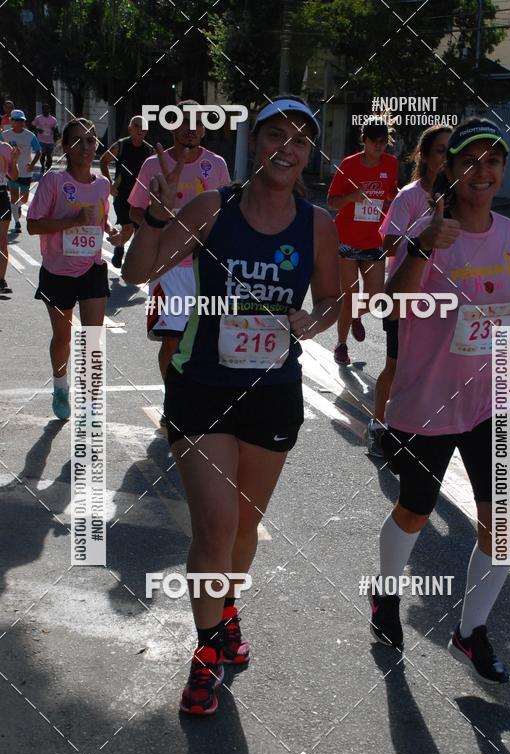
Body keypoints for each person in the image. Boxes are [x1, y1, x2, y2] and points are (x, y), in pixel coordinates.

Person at [123, 96, 340, 715]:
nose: (286, 148)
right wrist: (155, 221)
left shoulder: (316, 224)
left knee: (244, 532)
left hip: (272, 393)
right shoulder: (211, 207)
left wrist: (313, 318)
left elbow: (330, 300)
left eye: (300, 139)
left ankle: (225, 615)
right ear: (257, 145)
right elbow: (140, 273)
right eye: (275, 134)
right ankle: (207, 648)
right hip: (203, 388)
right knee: (215, 529)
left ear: (306, 154)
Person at [370, 118, 510, 684]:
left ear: (501, 172)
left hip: (491, 401)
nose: (481, 171)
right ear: (449, 168)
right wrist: (422, 245)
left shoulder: (509, 231)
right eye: (470, 160)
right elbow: (390, 306)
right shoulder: (427, 228)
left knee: (504, 525)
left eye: (493, 161)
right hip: (426, 404)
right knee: (415, 512)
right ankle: (386, 595)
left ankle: (471, 632)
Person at [128, 100, 230, 380]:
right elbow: (135, 209)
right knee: (172, 341)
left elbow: (226, 214)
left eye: (197, 123)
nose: (190, 128)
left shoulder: (217, 165)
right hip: (166, 268)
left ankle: (195, 400)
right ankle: (171, 404)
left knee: (206, 340)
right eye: (183, 121)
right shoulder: (153, 165)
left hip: (205, 268)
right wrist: (161, 224)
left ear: (204, 130)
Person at [27, 118, 120, 419]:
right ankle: (60, 385)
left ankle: (92, 400)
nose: (85, 146)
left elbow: (99, 221)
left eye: (91, 140)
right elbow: (32, 225)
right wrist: (71, 221)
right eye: (78, 140)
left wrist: (112, 230)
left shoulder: (103, 184)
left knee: (93, 336)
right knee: (63, 338)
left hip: (92, 268)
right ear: (66, 146)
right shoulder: (53, 182)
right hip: (57, 272)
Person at [367, 124, 451, 456]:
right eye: (440, 151)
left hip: (441, 296)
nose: (446, 158)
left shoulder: (458, 196)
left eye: (451, 151)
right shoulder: (410, 196)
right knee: (397, 365)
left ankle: (422, 431)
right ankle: (378, 424)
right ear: (425, 156)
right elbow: (388, 242)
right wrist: (424, 233)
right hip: (404, 295)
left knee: (433, 369)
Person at [327, 119, 398, 366]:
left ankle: (356, 316)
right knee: (350, 296)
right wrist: (353, 197)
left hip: (373, 240)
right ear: (364, 140)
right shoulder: (349, 165)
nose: (379, 147)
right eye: (374, 142)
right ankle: (341, 345)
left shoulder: (391, 163)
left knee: (376, 296)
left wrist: (397, 196)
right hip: (346, 239)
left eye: (383, 142)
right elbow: (332, 201)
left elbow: (390, 192)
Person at [99, 115, 153, 268]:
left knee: (139, 232)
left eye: (143, 127)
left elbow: (157, 172)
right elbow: (104, 161)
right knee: (128, 228)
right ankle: (120, 247)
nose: (139, 130)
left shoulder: (150, 151)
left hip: (141, 197)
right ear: (130, 128)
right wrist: (110, 184)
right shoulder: (120, 146)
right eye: (136, 126)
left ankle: (129, 257)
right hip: (122, 195)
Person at [0, 110, 41, 233]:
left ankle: (15, 208)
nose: (20, 123)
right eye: (17, 120)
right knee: (13, 196)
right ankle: (17, 223)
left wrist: (32, 164)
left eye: (22, 120)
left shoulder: (30, 136)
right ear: (11, 121)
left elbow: (38, 150)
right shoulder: (4, 135)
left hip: (25, 172)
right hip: (10, 172)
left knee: (23, 199)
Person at [0, 140, 20, 296]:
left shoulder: (5, 148)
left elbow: (13, 176)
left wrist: (13, 161)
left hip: (1, 195)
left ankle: (1, 280)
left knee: (2, 240)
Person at [32, 103, 59, 174]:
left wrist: (55, 132)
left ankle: (48, 168)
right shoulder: (38, 118)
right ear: (42, 110)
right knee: (42, 154)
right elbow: (32, 126)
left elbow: (57, 130)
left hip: (50, 141)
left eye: (47, 109)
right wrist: (38, 130)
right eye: (44, 109)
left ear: (49, 110)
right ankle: (42, 167)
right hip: (41, 140)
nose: (45, 110)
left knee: (49, 156)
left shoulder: (53, 120)